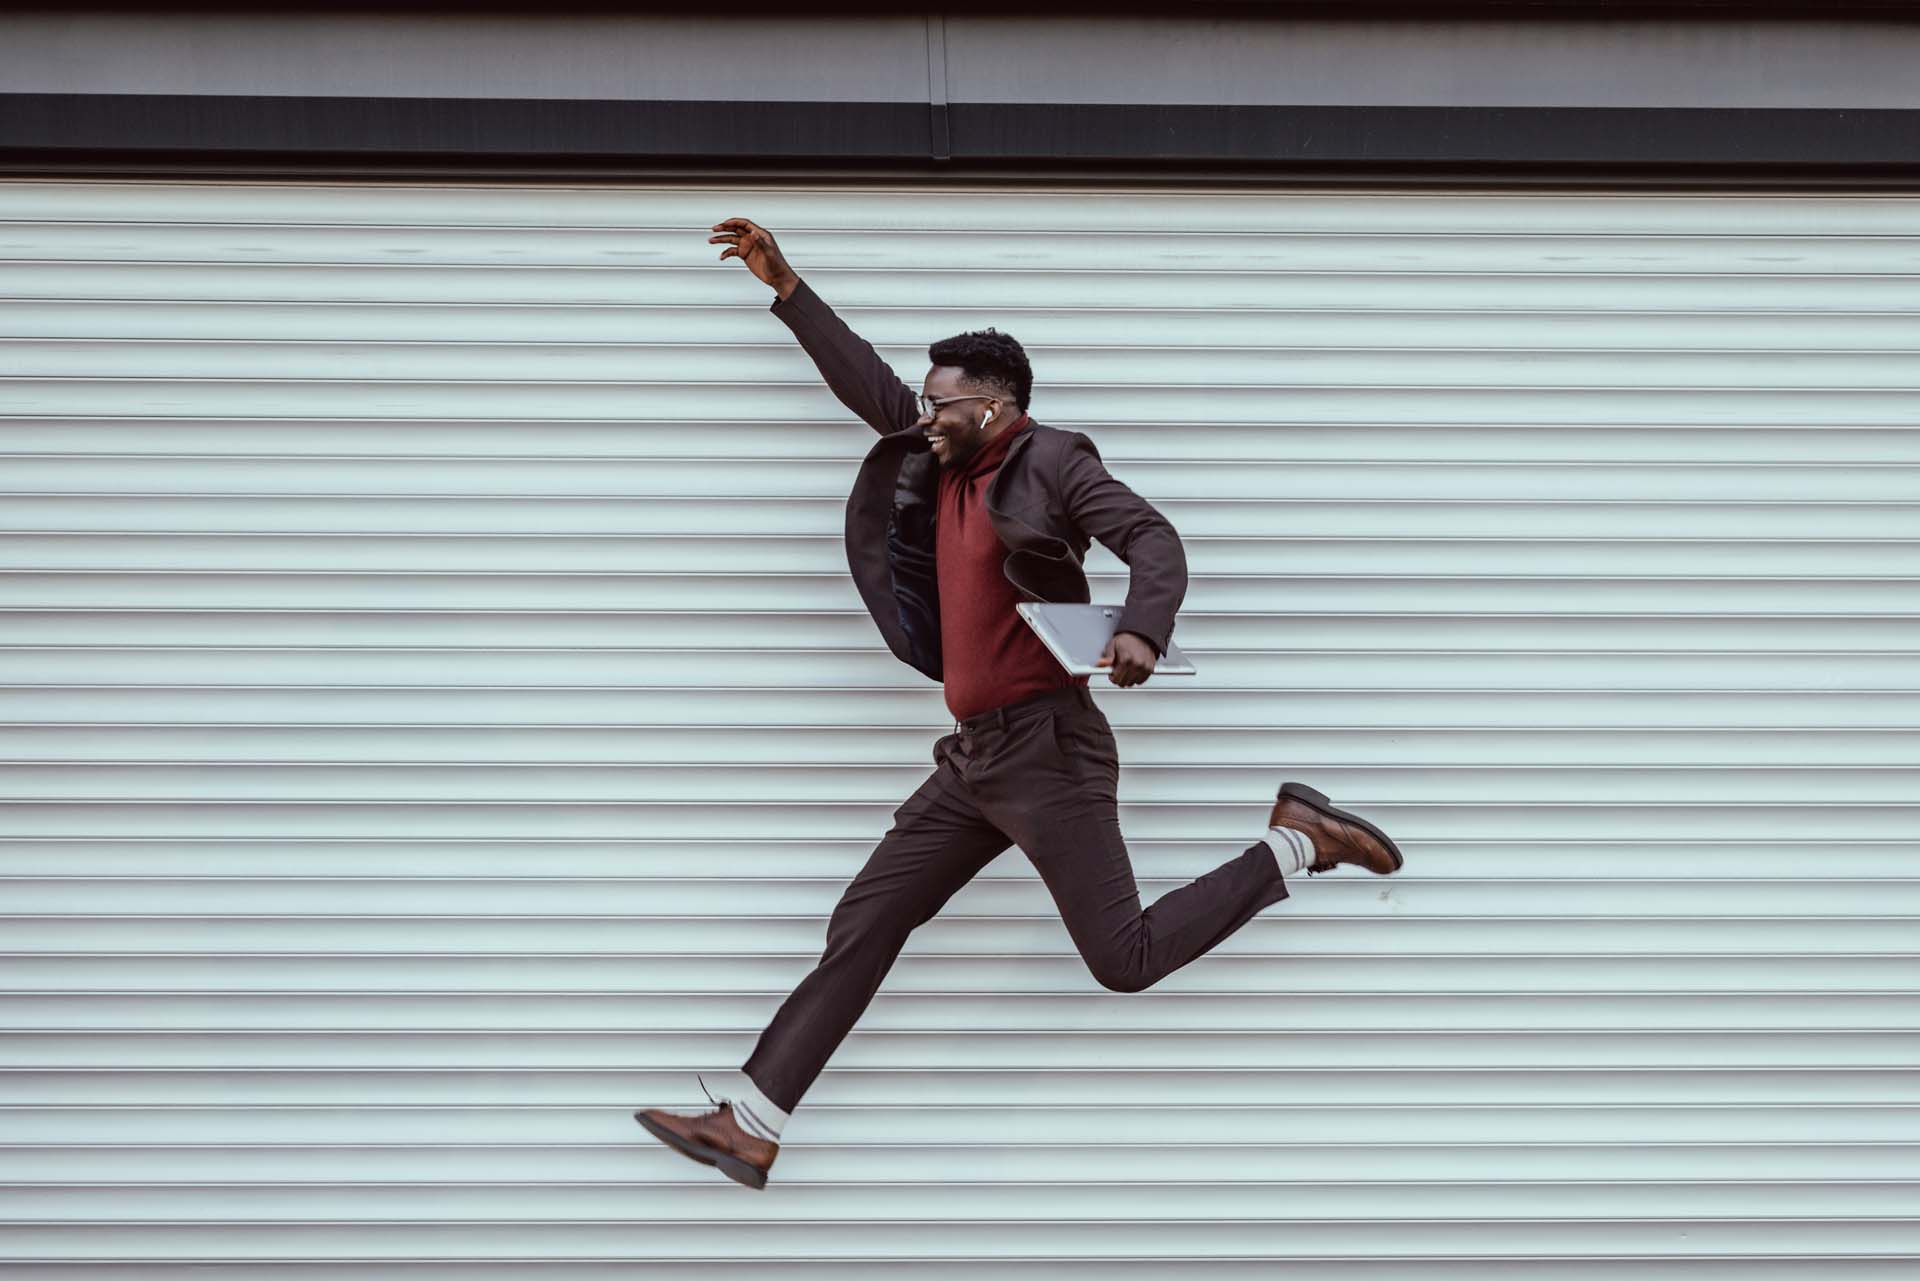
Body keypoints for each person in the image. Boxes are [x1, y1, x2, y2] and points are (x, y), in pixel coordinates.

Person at [634, 217, 1404, 1189]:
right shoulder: (944, 455)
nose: (924, 413)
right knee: (866, 918)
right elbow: (871, 386)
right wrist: (787, 287)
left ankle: (1297, 842)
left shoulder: (1053, 463)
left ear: (993, 408)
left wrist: (1142, 630)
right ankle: (752, 1121)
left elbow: (1154, 539)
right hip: (974, 758)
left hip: (1049, 751)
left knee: (1123, 958)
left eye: (941, 402)